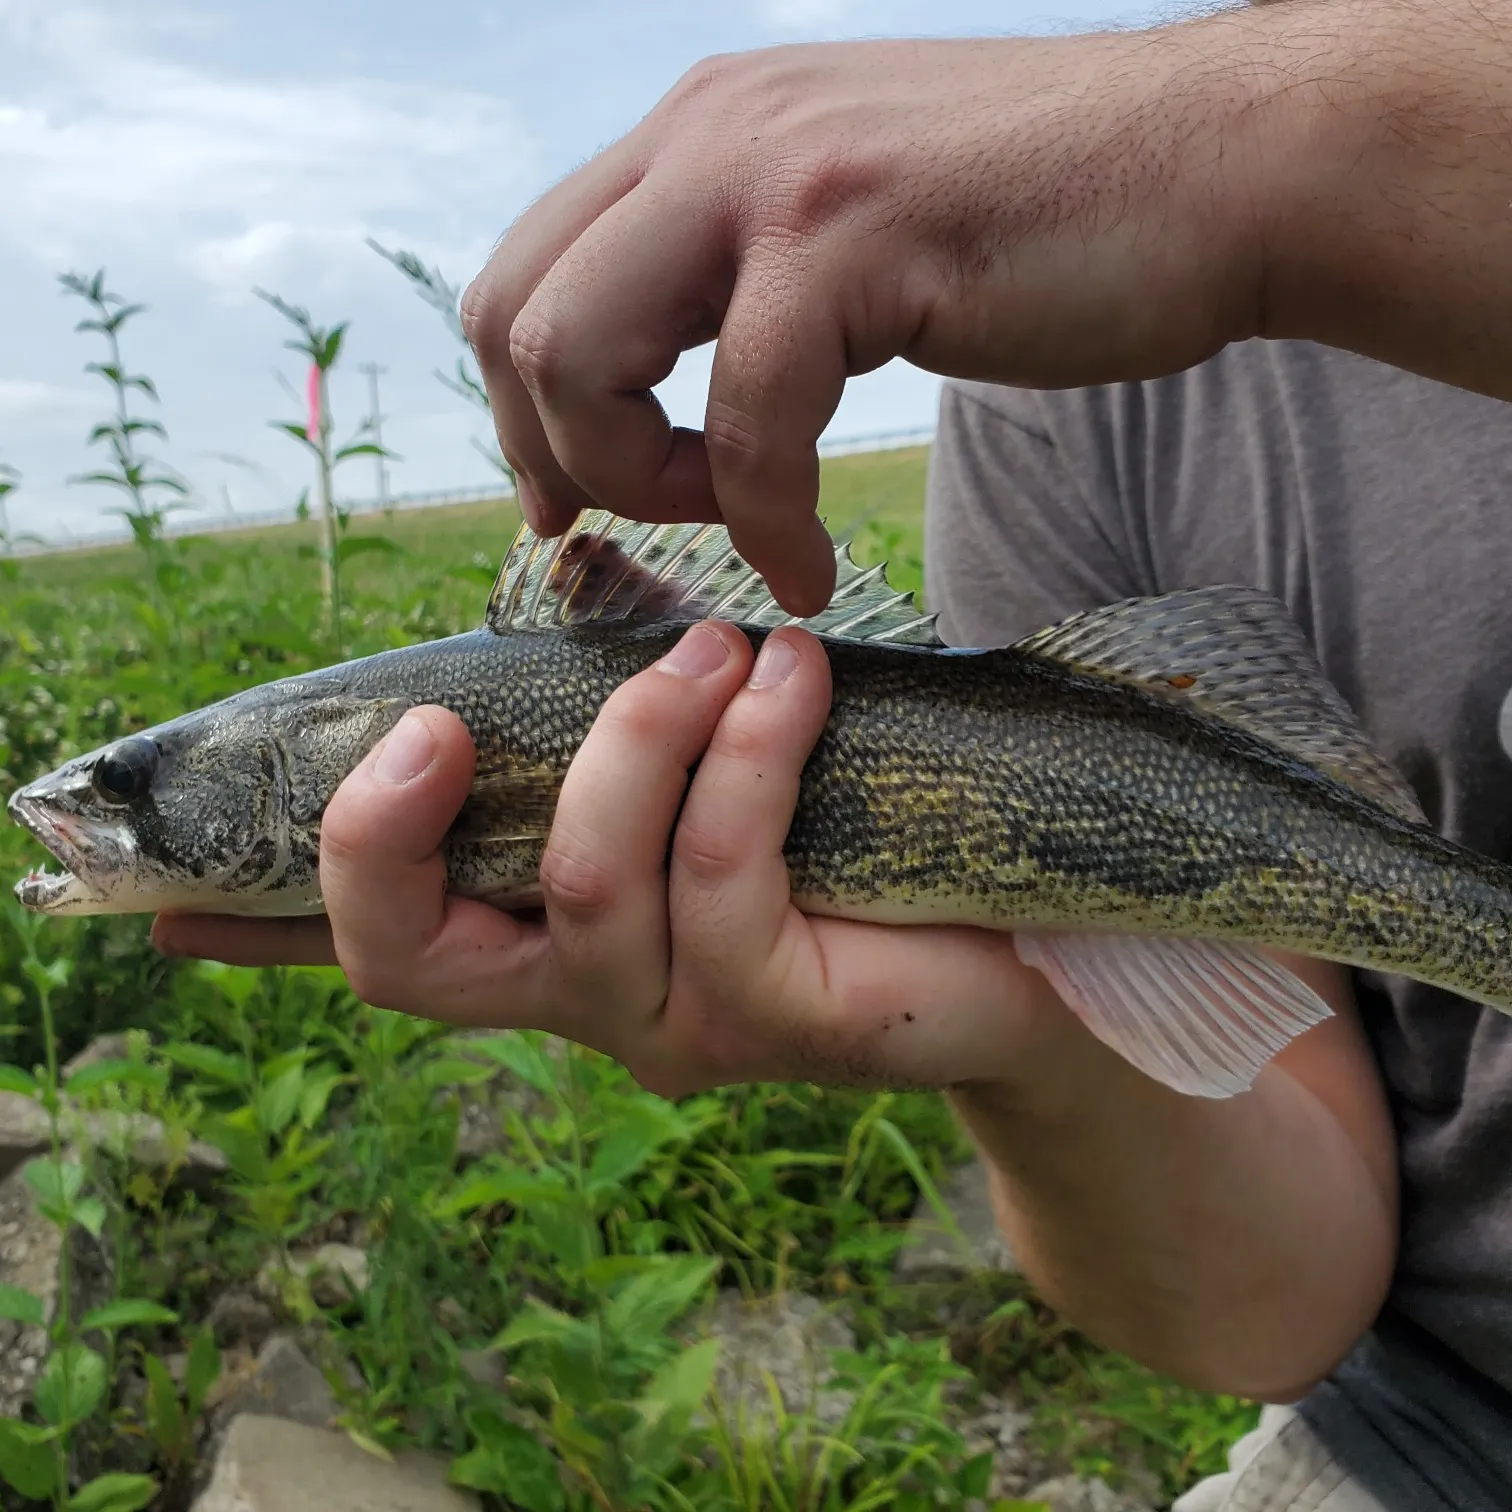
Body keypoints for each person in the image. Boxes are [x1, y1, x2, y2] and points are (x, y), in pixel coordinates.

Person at [151, 1, 1512, 1506]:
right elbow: (1276, 1308)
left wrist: (1289, 159)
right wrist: (1032, 1027)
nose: (103, 813)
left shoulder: (1111, 269)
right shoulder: (1060, 425)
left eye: (139, 784)